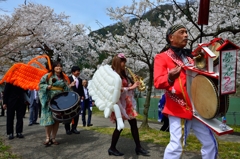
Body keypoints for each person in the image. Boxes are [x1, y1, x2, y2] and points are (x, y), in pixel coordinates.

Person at [154, 24, 218, 159]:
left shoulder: (191, 57)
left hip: (197, 107)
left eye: (186, 32)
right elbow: (158, 82)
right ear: (171, 37)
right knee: (177, 146)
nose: (186, 35)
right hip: (178, 107)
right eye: (182, 32)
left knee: (210, 143)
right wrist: (170, 77)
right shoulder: (162, 57)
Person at [108, 53, 149, 156]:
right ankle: (112, 148)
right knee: (120, 127)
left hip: (127, 103)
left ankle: (138, 147)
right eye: (122, 62)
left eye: (124, 61)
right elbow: (116, 90)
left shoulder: (123, 73)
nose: (124, 64)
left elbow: (126, 87)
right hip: (120, 104)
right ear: (117, 62)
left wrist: (134, 82)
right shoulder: (113, 75)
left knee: (134, 125)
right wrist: (131, 87)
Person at [39, 61, 75, 146]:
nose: (59, 68)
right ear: (53, 67)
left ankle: (53, 138)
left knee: (56, 120)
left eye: (60, 66)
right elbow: (40, 85)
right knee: (48, 120)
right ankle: (47, 138)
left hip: (59, 102)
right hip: (49, 101)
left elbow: (65, 90)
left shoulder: (63, 78)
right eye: (57, 66)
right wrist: (47, 86)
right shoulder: (47, 76)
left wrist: (70, 86)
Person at [64, 66, 84, 135]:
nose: (78, 72)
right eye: (77, 71)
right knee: (68, 114)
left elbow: (81, 89)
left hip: (77, 99)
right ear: (73, 72)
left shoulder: (80, 80)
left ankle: (74, 128)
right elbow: (65, 88)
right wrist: (70, 85)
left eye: (79, 71)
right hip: (69, 99)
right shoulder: (68, 79)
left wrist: (82, 95)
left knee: (76, 113)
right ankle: (67, 129)